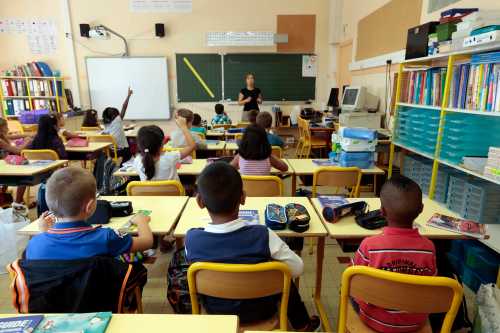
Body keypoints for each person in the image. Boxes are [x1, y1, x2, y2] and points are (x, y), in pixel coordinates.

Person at [184, 162, 320, 331]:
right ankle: (303, 325)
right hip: (261, 312)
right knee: (279, 271)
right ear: (243, 197)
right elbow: (297, 268)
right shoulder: (263, 235)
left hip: (216, 314)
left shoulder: (192, 239)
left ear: (200, 202)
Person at [352, 175, 436, 333]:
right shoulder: (429, 248)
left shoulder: (369, 245)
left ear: (382, 211)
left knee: (347, 281)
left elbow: (355, 284)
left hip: (375, 320)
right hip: (415, 322)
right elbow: (430, 285)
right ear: (421, 210)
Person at [25, 167, 153, 260]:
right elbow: (146, 242)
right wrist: (142, 221)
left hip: (55, 297)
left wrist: (44, 233)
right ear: (90, 206)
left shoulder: (34, 244)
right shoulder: (106, 237)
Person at [0, 118, 32, 205]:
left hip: (3, 166)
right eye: (6, 126)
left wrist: (27, 134)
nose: (8, 129)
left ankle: (3, 195)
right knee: (24, 177)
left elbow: (12, 138)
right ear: (1, 128)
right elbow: (17, 151)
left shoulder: (2, 137)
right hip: (2, 170)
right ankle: (18, 202)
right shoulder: (0, 141)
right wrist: (27, 142)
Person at [102, 87, 133, 162]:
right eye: (117, 113)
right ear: (114, 116)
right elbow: (124, 107)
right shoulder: (117, 121)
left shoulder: (105, 125)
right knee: (129, 147)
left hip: (110, 152)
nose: (118, 114)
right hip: (121, 151)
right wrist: (128, 96)